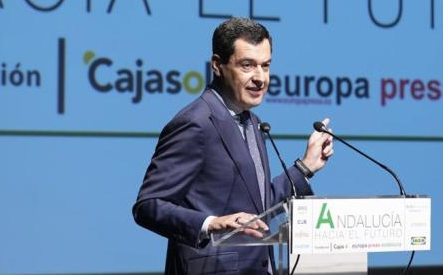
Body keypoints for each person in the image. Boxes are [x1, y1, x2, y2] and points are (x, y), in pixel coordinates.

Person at [133, 17, 333, 274]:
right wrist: (211, 223)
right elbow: (148, 205)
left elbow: (257, 209)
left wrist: (305, 167)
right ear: (218, 65)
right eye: (247, 65)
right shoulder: (195, 123)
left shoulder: (253, 123)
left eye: (265, 65)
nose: (260, 78)